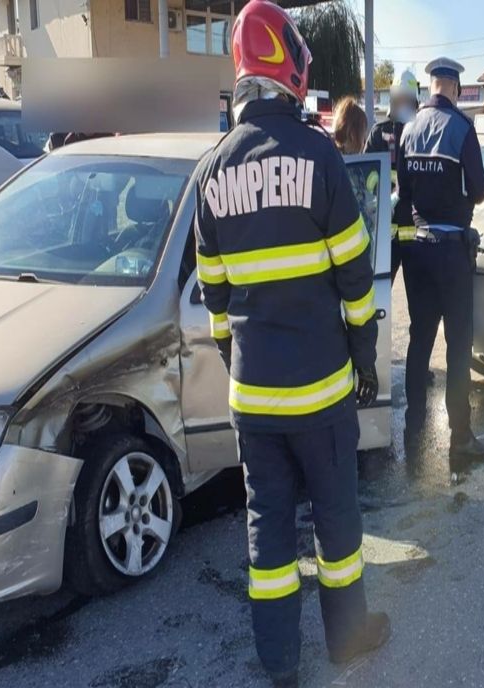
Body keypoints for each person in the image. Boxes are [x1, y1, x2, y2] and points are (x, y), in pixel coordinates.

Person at [193, 2, 389, 685]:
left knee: (267, 532)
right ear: (289, 66)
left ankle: (279, 663)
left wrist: (240, 366)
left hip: (254, 396)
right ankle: (347, 640)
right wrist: (364, 357)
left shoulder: (211, 173)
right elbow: (357, 279)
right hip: (322, 388)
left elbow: (215, 301)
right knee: (336, 523)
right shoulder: (320, 157)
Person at [396, 56, 484, 463]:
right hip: (452, 253)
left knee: (419, 341)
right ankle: (460, 438)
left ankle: (413, 428)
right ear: (453, 87)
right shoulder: (461, 128)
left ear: (430, 85)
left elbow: (403, 190)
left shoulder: (408, 130)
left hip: (417, 249)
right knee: (457, 347)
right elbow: (481, 189)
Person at [365, 69, 420, 281]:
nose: (404, 104)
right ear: (393, 100)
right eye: (401, 99)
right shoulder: (379, 133)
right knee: (379, 297)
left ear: (415, 101)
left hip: (413, 233)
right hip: (385, 232)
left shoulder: (423, 132)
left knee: (418, 302)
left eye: (408, 99)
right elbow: (365, 176)